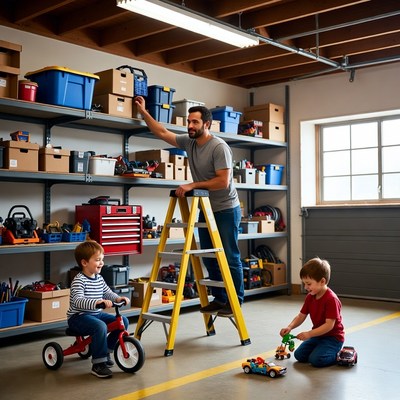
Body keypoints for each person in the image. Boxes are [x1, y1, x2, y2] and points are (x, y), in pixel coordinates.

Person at [135, 96, 243, 316]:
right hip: (205, 207)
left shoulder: (218, 147)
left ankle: (235, 301)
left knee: (230, 256)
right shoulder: (190, 142)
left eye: (195, 122)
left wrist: (194, 184)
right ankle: (220, 298)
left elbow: (223, 181)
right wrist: (143, 112)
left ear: (207, 124)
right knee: (208, 255)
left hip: (225, 208)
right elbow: (163, 133)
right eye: (189, 122)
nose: (190, 126)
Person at [67, 240, 131, 378]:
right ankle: (98, 364)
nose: (101, 263)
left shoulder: (99, 278)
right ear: (84, 263)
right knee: (100, 326)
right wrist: (97, 302)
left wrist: (118, 298)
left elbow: (108, 292)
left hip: (95, 314)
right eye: (97, 260)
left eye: (102, 259)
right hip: (78, 317)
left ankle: (106, 351)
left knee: (123, 322)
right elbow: (78, 301)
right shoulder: (79, 280)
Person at [279, 257, 345, 367]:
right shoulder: (310, 297)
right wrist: (290, 327)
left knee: (316, 360)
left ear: (322, 281)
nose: (305, 287)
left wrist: (309, 334)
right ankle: (320, 350)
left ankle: (339, 354)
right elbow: (301, 316)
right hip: (318, 335)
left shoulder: (331, 299)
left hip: (333, 338)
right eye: (304, 283)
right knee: (299, 355)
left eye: (309, 284)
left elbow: (329, 325)